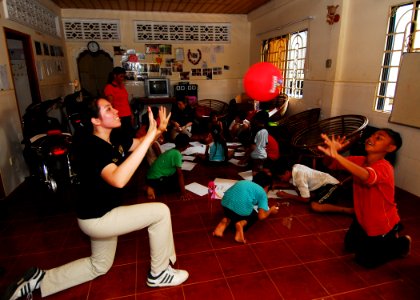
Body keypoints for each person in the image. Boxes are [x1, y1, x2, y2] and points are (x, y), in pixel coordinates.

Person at [1, 99, 188, 300]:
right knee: (160, 212)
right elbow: (118, 179)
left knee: (99, 266)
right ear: (95, 120)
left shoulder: (114, 138)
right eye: (109, 108)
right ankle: (159, 273)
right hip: (99, 218)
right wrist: (151, 134)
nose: (116, 110)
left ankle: (40, 279)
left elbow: (140, 144)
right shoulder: (91, 147)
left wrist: (158, 130)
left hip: (97, 214)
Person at [318, 128, 411, 268]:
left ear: (391, 148)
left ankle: (401, 242)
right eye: (372, 136)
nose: (371, 138)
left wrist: (337, 156)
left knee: (364, 261)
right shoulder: (359, 160)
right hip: (362, 218)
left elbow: (367, 176)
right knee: (349, 246)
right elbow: (330, 164)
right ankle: (386, 239)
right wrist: (331, 152)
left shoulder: (385, 168)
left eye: (379, 138)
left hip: (380, 222)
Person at [212, 171, 279, 243]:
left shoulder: (242, 182)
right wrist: (271, 210)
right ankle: (241, 223)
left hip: (225, 206)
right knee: (255, 214)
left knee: (234, 209)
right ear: (267, 186)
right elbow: (261, 217)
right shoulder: (262, 193)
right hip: (239, 213)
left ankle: (225, 221)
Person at [273, 162, 354, 215]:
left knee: (314, 206)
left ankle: (348, 210)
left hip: (332, 185)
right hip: (322, 187)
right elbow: (295, 184)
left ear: (287, 172)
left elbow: (306, 199)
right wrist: (280, 186)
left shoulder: (299, 177)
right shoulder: (295, 167)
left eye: (281, 177)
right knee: (299, 190)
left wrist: (287, 195)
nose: (282, 179)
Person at [146, 133, 192, 201]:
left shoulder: (172, 150)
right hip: (155, 178)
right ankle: (152, 188)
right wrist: (183, 193)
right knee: (176, 187)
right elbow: (180, 175)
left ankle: (151, 185)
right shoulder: (177, 154)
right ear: (186, 146)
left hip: (151, 176)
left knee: (178, 179)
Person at [104, 67, 134, 136]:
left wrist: (131, 114)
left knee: (129, 137)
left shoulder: (122, 86)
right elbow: (110, 105)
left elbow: (126, 101)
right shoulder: (109, 87)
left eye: (123, 76)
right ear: (115, 76)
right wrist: (115, 118)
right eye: (121, 76)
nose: (123, 78)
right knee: (121, 137)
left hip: (127, 116)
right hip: (119, 117)